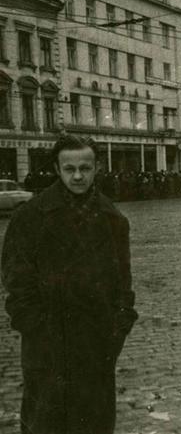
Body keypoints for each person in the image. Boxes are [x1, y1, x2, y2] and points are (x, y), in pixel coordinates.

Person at [1, 134, 138, 434]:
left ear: (97, 167)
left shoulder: (113, 219)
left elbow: (123, 286)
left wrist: (115, 332)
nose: (78, 176)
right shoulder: (30, 218)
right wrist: (40, 331)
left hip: (96, 351)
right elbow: (17, 286)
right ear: (56, 169)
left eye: (85, 168)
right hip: (47, 351)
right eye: (69, 168)